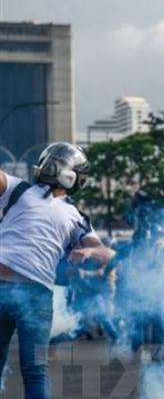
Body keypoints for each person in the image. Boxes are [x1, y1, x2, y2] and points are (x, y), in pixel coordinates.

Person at [0, 142, 115, 399]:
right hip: (30, 296)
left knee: (36, 369)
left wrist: (89, 251)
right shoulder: (19, 189)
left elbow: (108, 254)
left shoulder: (76, 216)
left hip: (33, 295)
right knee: (35, 370)